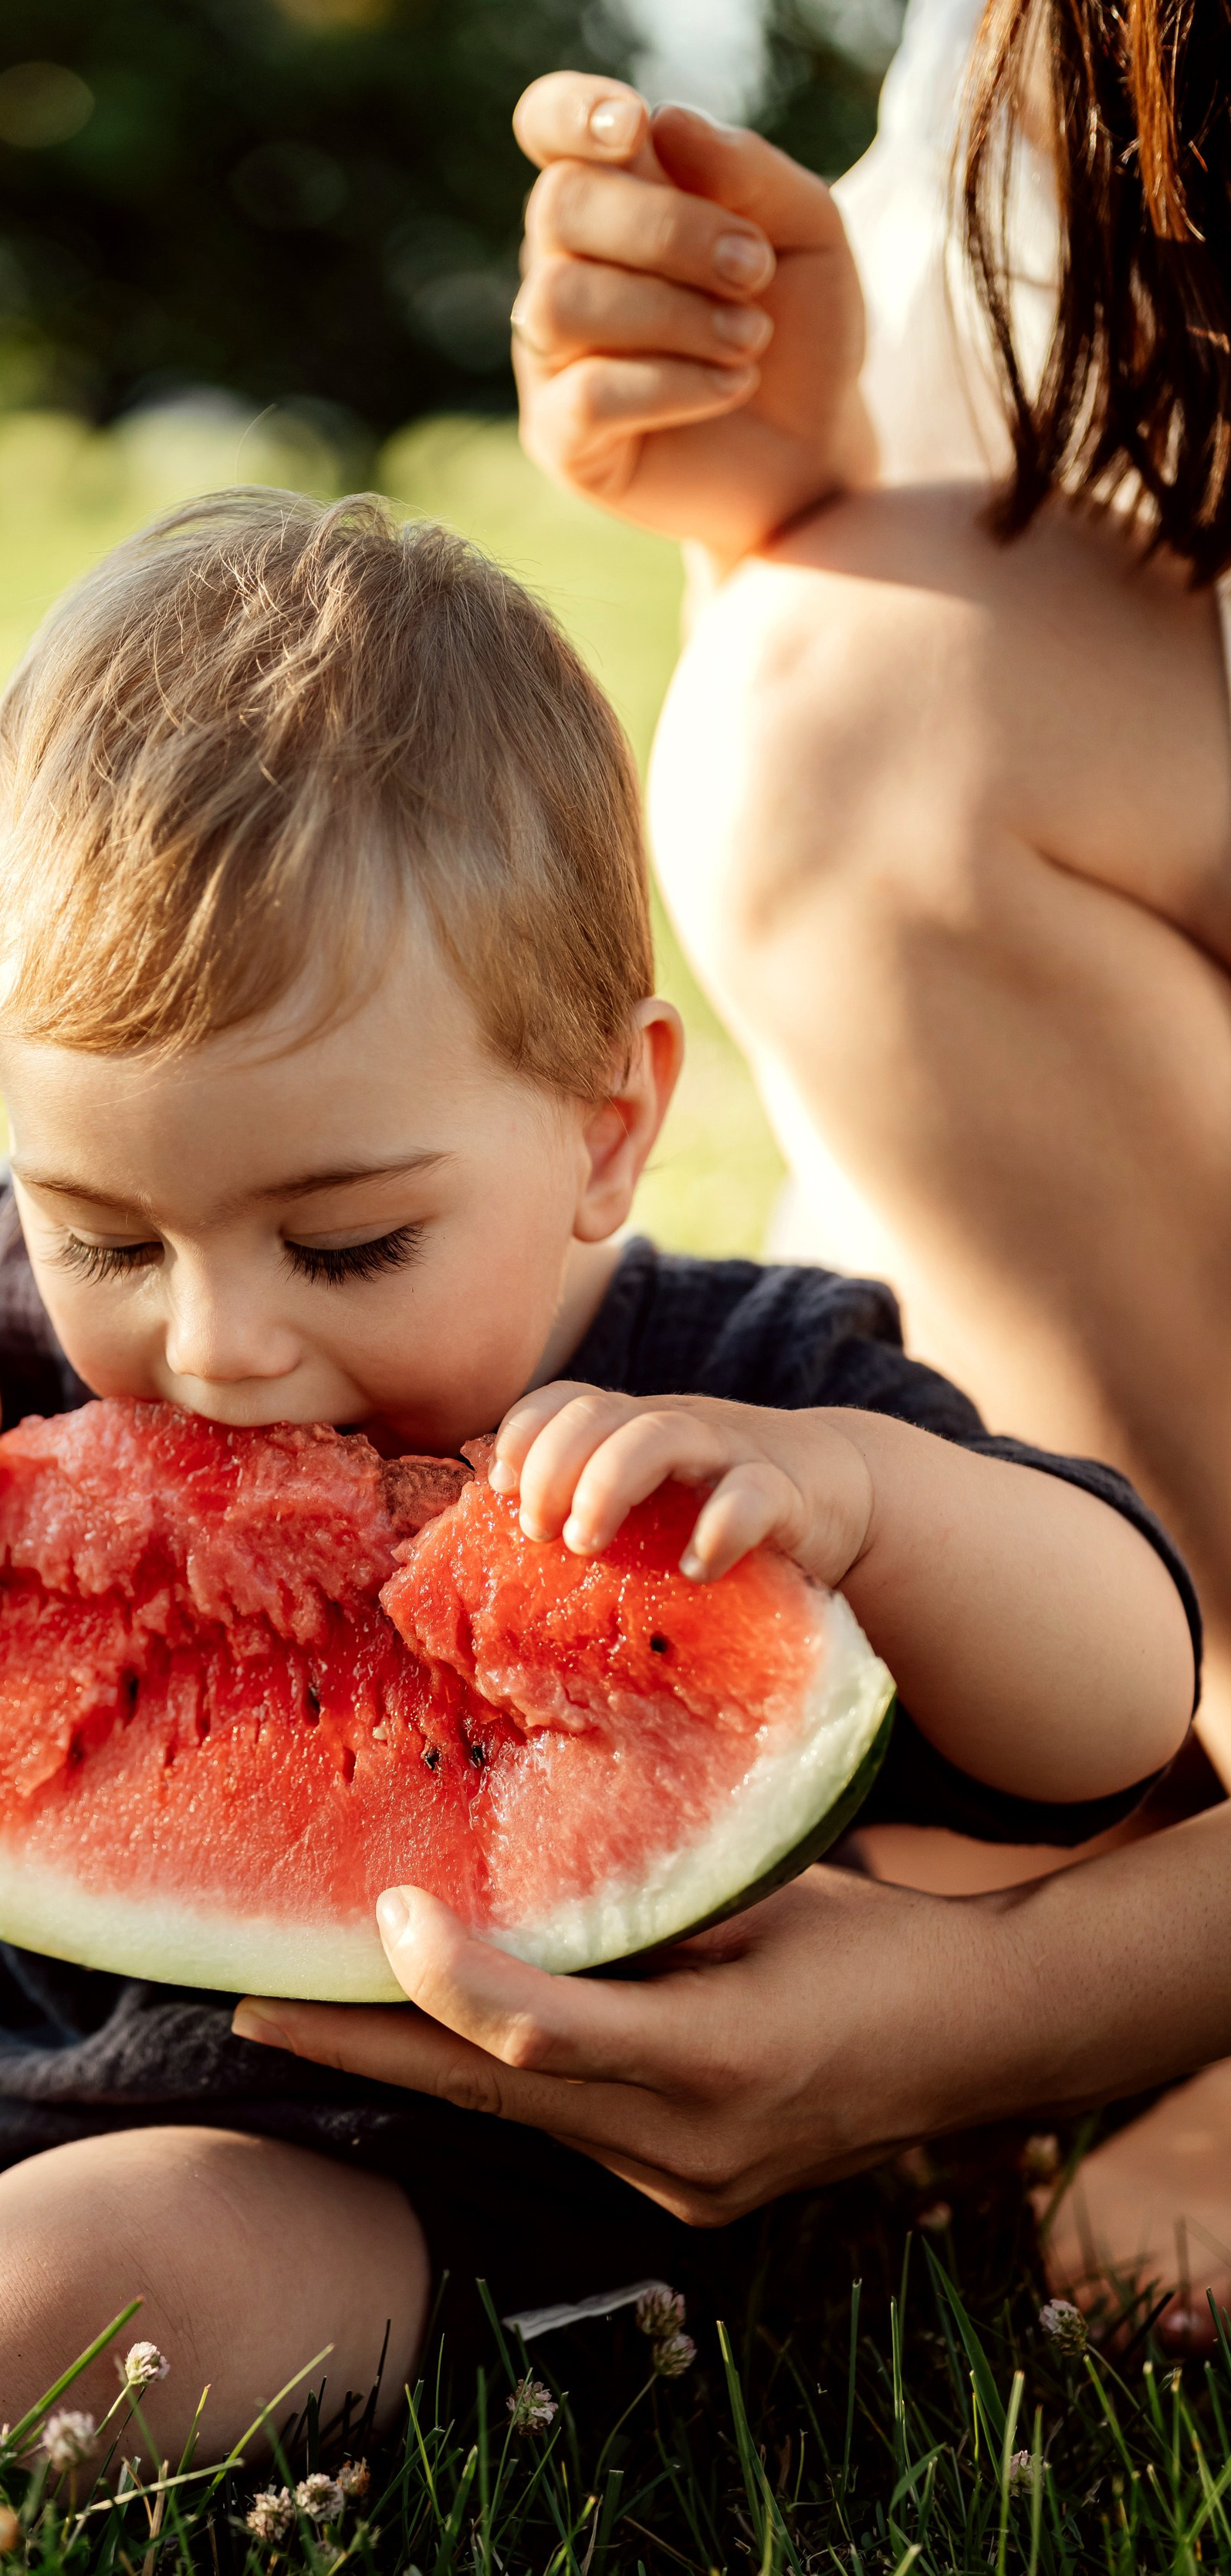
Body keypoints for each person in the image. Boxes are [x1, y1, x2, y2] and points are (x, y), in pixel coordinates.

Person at [0, 487, 1198, 2574]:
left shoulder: (760, 1387)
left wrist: (872, 1506)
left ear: (606, 1121)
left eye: (346, 1242)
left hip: (365, 2181)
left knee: (155, 2272)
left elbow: (1124, 1689)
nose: (215, 1343)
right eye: (106, 1227)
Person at [252, 1, 1231, 2330]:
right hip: (1138, 1583)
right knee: (849, 695)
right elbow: (923, 817)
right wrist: (772, 498)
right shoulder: (1057, 52)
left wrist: (1009, 2008)